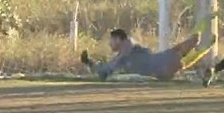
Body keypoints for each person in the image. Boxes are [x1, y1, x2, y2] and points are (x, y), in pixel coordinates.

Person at [81, 18, 215, 81]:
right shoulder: (122, 57)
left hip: (160, 63)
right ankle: (206, 44)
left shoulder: (127, 46)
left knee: (183, 49)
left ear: (118, 39)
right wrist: (89, 63)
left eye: (111, 41)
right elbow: (106, 70)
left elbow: (108, 68)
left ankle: (205, 32)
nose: (110, 45)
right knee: (182, 57)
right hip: (159, 67)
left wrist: (98, 67)